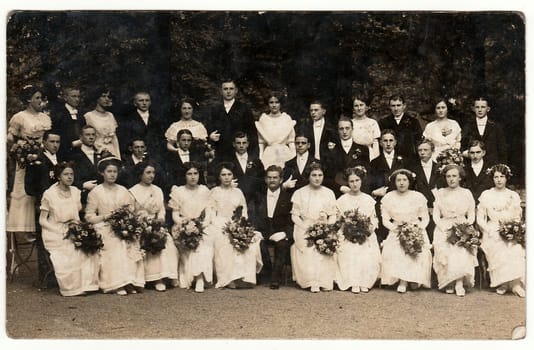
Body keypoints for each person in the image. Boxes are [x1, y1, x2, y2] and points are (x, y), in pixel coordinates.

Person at [85, 157, 144, 295]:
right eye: (109, 171)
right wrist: (106, 217)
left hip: (122, 226)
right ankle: (116, 284)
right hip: (103, 226)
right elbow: (89, 217)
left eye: (115, 172)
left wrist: (126, 223)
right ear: (102, 173)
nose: (112, 174)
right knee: (116, 245)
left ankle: (130, 281)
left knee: (129, 242)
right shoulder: (96, 192)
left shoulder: (123, 190)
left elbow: (130, 211)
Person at [38, 162, 99, 296]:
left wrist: (80, 229)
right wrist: (58, 231)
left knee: (88, 248)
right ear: (58, 176)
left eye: (71, 174)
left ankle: (87, 285)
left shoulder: (75, 192)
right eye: (66, 174)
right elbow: (42, 220)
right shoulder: (49, 194)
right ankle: (72, 288)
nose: (69, 177)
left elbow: (77, 215)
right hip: (54, 230)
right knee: (68, 252)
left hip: (74, 227)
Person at [204, 162, 263, 288]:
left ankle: (244, 277)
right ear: (219, 177)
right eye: (223, 174)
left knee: (249, 241)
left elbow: (244, 212)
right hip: (218, 224)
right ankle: (228, 278)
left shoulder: (238, 192)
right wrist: (221, 226)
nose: (226, 177)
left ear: (233, 176)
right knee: (225, 241)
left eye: (229, 174)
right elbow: (210, 213)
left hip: (236, 223)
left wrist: (240, 226)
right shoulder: (214, 191)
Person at [7, 85, 52, 238]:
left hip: (43, 155)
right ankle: (25, 228)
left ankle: (42, 224)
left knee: (42, 187)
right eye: (37, 98)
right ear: (28, 99)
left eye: (42, 98)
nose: (41, 101)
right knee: (24, 190)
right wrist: (21, 151)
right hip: (27, 157)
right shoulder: (19, 117)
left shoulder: (45, 117)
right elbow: (10, 139)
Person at [129, 161, 179, 291]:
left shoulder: (157, 190)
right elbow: (131, 212)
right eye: (148, 172)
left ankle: (166, 276)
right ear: (140, 174)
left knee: (166, 241)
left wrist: (159, 222)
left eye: (153, 173)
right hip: (140, 225)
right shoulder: (133, 191)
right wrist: (143, 224)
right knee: (147, 241)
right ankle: (155, 278)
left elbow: (161, 210)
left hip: (156, 223)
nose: (151, 176)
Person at [380, 169, 432, 293]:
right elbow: (385, 220)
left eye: (404, 180)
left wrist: (417, 229)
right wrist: (396, 229)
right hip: (397, 230)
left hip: (415, 229)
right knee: (397, 249)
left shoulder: (418, 197)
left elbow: (425, 218)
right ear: (394, 182)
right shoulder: (389, 197)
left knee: (416, 249)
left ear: (409, 181)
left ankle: (414, 278)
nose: (401, 183)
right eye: (398, 180)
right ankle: (403, 281)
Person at [477, 164, 525, 297]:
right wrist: (488, 230)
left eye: (502, 177)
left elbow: (517, 217)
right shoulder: (486, 194)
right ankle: (502, 283)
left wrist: (513, 230)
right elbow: (480, 219)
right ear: (492, 178)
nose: (499, 180)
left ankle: (515, 284)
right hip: (492, 229)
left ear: (507, 178)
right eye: (496, 177)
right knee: (498, 247)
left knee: (514, 249)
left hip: (510, 229)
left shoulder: (513, 195)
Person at [290, 162, 337, 293]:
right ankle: (311, 281)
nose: (317, 178)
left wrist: (326, 226)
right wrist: (305, 227)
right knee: (309, 246)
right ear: (308, 176)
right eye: (314, 175)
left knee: (324, 244)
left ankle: (323, 280)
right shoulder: (300, 193)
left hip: (323, 227)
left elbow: (333, 215)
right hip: (304, 227)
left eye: (320, 175)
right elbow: (295, 216)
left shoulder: (329, 193)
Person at [432, 165, 477, 296]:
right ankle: (448, 282)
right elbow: (436, 214)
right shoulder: (440, 192)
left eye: (454, 176)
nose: (451, 179)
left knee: (460, 251)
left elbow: (471, 214)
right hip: (444, 225)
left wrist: (464, 228)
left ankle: (459, 283)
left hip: (461, 225)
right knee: (445, 251)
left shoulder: (466, 193)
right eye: (448, 176)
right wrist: (442, 227)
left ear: (460, 177)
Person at [24, 130, 62, 285]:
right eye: (52, 142)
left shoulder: (61, 158)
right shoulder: (37, 160)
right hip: (44, 203)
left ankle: (60, 272)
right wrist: (42, 197)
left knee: (59, 236)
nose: (55, 145)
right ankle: (45, 275)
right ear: (44, 142)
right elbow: (29, 186)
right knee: (44, 238)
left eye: (57, 142)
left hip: (61, 202)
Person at [335, 166, 381, 293]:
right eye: (351, 181)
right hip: (347, 234)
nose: (354, 184)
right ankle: (353, 282)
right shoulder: (342, 200)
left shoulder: (368, 199)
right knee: (350, 250)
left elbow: (374, 220)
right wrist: (348, 230)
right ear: (347, 183)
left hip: (365, 234)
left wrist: (367, 230)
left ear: (361, 181)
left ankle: (364, 282)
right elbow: (338, 220)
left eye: (357, 180)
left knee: (365, 251)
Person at [168, 162, 212, 292]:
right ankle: (185, 275)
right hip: (182, 225)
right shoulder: (178, 192)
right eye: (189, 174)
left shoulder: (204, 190)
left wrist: (201, 226)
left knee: (203, 244)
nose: (193, 177)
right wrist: (184, 224)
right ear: (184, 176)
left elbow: (209, 213)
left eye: (195, 173)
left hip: (201, 226)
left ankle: (199, 277)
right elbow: (175, 214)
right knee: (186, 243)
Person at [251, 165, 293, 289]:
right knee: (260, 245)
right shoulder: (259, 196)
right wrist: (256, 231)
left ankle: (275, 277)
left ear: (281, 180)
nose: (272, 180)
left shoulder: (288, 196)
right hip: (263, 230)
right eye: (269, 178)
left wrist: (285, 233)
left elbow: (292, 221)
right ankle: (267, 271)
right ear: (265, 179)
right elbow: (253, 215)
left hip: (280, 231)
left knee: (282, 245)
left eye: (275, 178)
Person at [210, 132, 265, 207]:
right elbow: (218, 177)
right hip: (234, 199)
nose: (241, 146)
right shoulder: (227, 160)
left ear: (248, 144)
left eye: (244, 143)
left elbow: (262, 179)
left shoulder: (256, 161)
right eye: (238, 143)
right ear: (234, 144)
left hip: (254, 201)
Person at [207, 78, 258, 157]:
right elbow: (209, 129)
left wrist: (252, 156)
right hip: (220, 152)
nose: (228, 91)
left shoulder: (244, 108)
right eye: (225, 89)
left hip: (239, 153)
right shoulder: (215, 109)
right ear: (221, 91)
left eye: (231, 89)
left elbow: (252, 134)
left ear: (236, 90)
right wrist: (211, 137)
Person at [326, 117, 370, 195]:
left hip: (358, 191)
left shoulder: (363, 149)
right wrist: (340, 188)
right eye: (341, 129)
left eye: (347, 128)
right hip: (338, 192)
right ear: (338, 131)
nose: (344, 131)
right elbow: (327, 176)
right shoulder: (331, 151)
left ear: (352, 129)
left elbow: (367, 173)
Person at [408, 139, 441, 241]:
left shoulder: (440, 168)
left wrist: (433, 207)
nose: (422, 152)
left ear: (432, 151)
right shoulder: (412, 169)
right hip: (419, 209)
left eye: (425, 150)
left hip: (436, 209)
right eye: (420, 150)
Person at [117, 91, 165, 161]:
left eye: (147, 100)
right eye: (141, 100)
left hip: (154, 155)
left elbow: (160, 138)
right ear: (135, 103)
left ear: (150, 102)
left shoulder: (156, 118)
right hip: (136, 155)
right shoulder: (129, 119)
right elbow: (126, 140)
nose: (144, 103)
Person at [461, 97, 507, 166]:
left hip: (492, 165)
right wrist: (470, 155)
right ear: (473, 109)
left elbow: (502, 150)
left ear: (488, 109)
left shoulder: (495, 126)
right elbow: (463, 146)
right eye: (477, 107)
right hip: (473, 164)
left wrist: (502, 167)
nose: (480, 110)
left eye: (483, 107)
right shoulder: (468, 125)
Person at [255, 92, 296, 168]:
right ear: (268, 104)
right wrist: (260, 158)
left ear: (281, 104)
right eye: (271, 102)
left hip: (285, 153)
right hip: (268, 154)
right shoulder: (264, 119)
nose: (274, 105)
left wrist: (293, 158)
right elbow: (261, 143)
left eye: (277, 102)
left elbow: (291, 142)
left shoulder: (286, 118)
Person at [378, 95, 422, 161]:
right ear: (390, 107)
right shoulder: (384, 122)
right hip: (390, 159)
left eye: (398, 105)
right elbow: (380, 143)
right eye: (393, 106)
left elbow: (418, 142)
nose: (396, 109)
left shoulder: (413, 122)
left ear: (404, 106)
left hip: (409, 158)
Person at [83, 87, 121, 159]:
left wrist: (118, 156)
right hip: (97, 151)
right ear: (97, 98)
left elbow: (114, 138)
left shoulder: (110, 115)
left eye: (108, 97)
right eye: (103, 96)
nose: (107, 99)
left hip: (111, 149)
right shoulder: (89, 116)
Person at [71, 125, 105, 205]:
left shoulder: (101, 153)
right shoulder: (74, 155)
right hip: (82, 195)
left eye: (93, 135)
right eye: (88, 135)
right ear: (81, 137)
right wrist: (82, 185)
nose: (91, 137)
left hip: (101, 194)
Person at [50, 85, 85, 160]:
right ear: (65, 98)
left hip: (80, 151)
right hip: (64, 151)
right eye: (73, 96)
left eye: (78, 97)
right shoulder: (59, 114)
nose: (77, 99)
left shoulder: (81, 114)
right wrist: (71, 144)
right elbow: (57, 133)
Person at [282, 132, 319, 196]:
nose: (300, 145)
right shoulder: (289, 164)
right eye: (297, 143)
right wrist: (284, 185)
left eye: (303, 143)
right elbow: (283, 182)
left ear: (308, 145)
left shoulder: (317, 163)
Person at [350, 93, 381, 161]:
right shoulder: (350, 123)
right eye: (356, 106)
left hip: (370, 154)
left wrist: (375, 160)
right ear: (353, 108)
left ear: (366, 107)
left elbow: (375, 144)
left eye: (361, 105)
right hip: (353, 154)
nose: (359, 108)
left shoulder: (373, 123)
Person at [463, 140, 493, 205]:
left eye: (478, 152)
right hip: (468, 204)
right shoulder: (464, 168)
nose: (475, 156)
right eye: (472, 153)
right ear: (468, 153)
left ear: (483, 153)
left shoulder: (491, 168)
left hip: (487, 204)